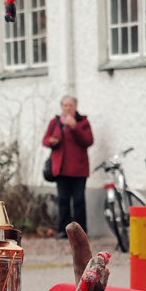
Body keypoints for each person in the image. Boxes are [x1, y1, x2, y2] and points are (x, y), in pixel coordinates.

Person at [43, 95, 93, 237]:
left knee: (78, 201)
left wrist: (75, 128)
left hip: (79, 169)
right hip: (61, 169)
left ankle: (81, 231)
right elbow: (45, 140)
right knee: (63, 200)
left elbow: (88, 141)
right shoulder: (55, 122)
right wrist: (51, 141)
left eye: (70, 105)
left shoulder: (83, 122)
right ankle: (63, 231)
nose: (67, 108)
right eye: (65, 105)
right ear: (62, 107)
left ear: (75, 106)